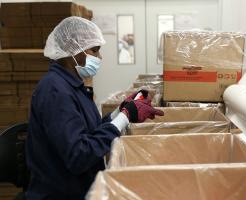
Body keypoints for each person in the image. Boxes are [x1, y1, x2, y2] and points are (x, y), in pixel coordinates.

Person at [25, 16, 164, 200]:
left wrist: (122, 111)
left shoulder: (71, 86)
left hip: (81, 187)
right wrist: (123, 118)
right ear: (73, 50)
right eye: (95, 50)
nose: (99, 57)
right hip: (61, 194)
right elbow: (79, 155)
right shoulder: (55, 91)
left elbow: (91, 132)